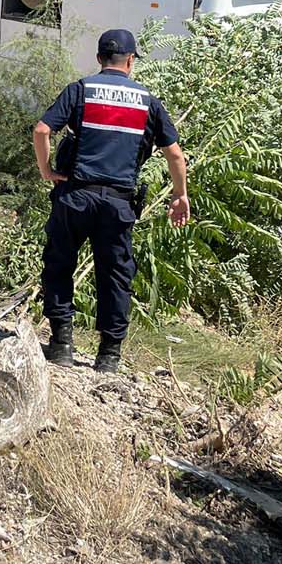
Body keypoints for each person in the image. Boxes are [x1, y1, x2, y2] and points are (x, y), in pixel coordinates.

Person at [32, 28, 190, 372]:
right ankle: (109, 356)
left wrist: (46, 170)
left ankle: (61, 345)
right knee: (116, 275)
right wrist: (180, 195)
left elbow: (42, 130)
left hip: (76, 195)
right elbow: (175, 155)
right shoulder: (148, 102)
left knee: (60, 263)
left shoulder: (80, 90)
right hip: (118, 203)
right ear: (130, 60)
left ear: (99, 58)